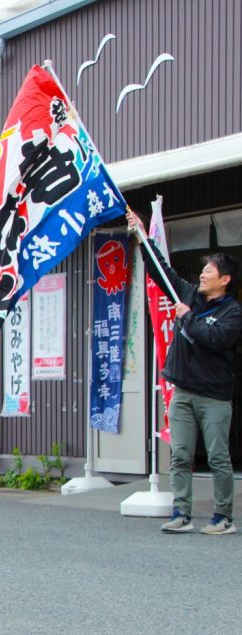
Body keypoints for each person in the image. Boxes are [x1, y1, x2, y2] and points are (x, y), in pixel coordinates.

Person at [128, 211, 242, 535]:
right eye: (203, 270)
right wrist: (141, 237)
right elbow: (161, 273)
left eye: (210, 271)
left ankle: (223, 517)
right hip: (183, 392)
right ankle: (181, 512)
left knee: (219, 457)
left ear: (225, 280)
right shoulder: (188, 294)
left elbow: (215, 338)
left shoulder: (232, 312)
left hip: (215, 397)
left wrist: (188, 318)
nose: (203, 274)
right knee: (179, 455)